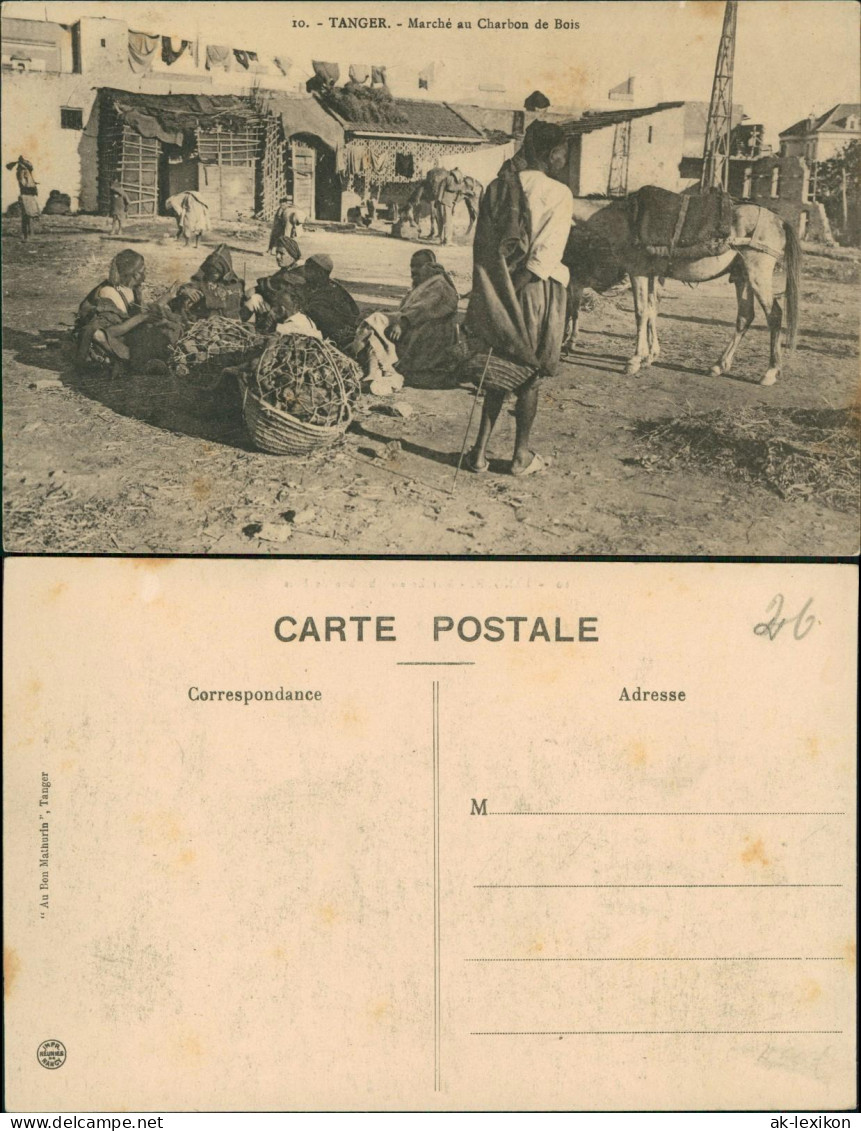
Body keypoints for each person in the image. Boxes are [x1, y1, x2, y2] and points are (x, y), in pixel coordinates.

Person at [463, 120, 573, 477]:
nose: (564, 158)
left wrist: (498, 290)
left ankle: (479, 453)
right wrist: (517, 291)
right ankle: (520, 456)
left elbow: (484, 249)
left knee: (499, 368)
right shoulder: (558, 193)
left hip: (496, 289)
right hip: (535, 292)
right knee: (528, 374)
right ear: (553, 153)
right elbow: (544, 258)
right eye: (562, 152)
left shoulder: (498, 188)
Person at [354, 248, 459, 391]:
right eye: (412, 266)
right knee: (375, 321)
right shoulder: (424, 283)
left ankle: (379, 369)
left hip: (429, 334)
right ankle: (374, 368)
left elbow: (424, 308)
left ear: (429, 266)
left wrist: (403, 322)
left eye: (418, 266)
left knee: (377, 320)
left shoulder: (438, 284)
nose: (413, 270)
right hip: (418, 326)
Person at [73, 249, 156, 373]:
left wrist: (169, 297)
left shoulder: (132, 289)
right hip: (103, 337)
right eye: (143, 271)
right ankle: (126, 362)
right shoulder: (109, 293)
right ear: (132, 274)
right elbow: (112, 331)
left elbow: (140, 314)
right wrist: (141, 318)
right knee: (99, 335)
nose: (145, 275)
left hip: (123, 332)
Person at [300, 253, 360, 353]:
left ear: (320, 273)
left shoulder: (333, 292)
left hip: (337, 339)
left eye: (308, 269)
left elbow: (350, 316)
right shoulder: (313, 286)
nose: (304, 273)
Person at [242, 237, 304, 333]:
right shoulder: (286, 269)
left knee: (255, 298)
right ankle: (237, 324)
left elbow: (275, 284)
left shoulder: (298, 272)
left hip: (292, 317)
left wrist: (255, 289)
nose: (277, 257)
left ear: (292, 255)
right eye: (277, 253)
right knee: (254, 299)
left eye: (282, 253)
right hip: (280, 311)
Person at [173, 244, 244, 322]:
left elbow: (225, 305)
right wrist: (186, 290)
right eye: (210, 271)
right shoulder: (206, 278)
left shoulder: (234, 285)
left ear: (224, 272)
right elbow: (193, 285)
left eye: (216, 272)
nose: (211, 275)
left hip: (226, 321)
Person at [6, 155, 39, 240]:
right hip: (26, 194)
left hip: (28, 194)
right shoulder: (22, 170)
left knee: (29, 215)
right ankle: (27, 235)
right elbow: (23, 183)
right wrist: (31, 186)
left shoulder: (24, 170)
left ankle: (30, 235)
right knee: (27, 215)